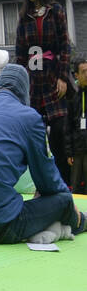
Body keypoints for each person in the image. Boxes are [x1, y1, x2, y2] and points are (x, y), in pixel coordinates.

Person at [0, 64, 86, 244]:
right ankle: (80, 221)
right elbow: (47, 180)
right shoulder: (29, 117)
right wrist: (65, 202)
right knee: (63, 200)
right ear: (25, 89)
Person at [15, 0, 73, 186]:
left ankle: (65, 186)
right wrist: (20, 85)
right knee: (35, 136)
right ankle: (43, 185)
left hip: (53, 79)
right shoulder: (24, 18)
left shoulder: (56, 10)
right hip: (33, 84)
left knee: (58, 133)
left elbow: (65, 46)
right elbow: (20, 55)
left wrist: (63, 77)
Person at [68, 57, 87, 194]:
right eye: (84, 71)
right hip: (77, 150)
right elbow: (67, 127)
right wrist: (69, 152)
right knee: (75, 188)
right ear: (76, 75)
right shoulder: (73, 98)